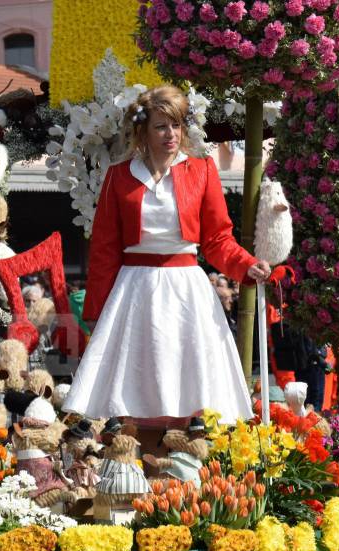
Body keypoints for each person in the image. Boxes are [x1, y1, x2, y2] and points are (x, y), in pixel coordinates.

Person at [63, 86, 271, 445]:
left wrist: (246, 265)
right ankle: (138, 462)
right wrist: (96, 310)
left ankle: (186, 466)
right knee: (133, 385)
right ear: (142, 131)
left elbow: (218, 238)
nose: (171, 135)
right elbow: (104, 250)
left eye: (176, 126)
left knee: (189, 384)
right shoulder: (119, 175)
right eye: (161, 126)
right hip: (134, 289)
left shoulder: (202, 170)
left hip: (186, 288)